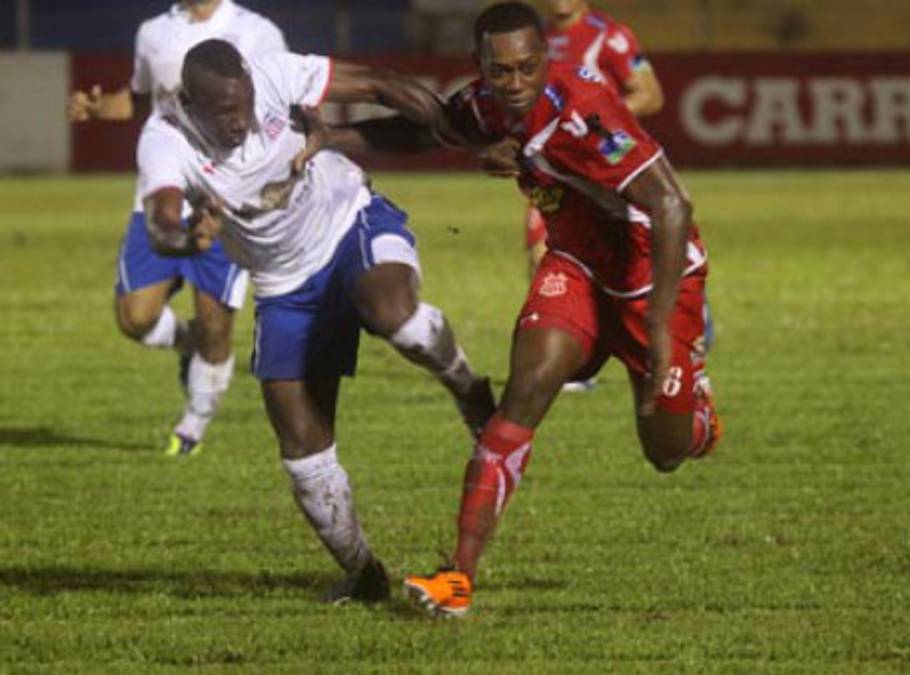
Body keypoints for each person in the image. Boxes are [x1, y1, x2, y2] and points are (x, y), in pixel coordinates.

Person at [310, 1, 722, 616]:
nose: (515, 83)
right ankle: (459, 577)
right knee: (524, 392)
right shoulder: (484, 103)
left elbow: (671, 207)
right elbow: (433, 129)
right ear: (481, 65)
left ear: (544, 59)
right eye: (500, 72)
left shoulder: (587, 111)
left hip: (647, 274)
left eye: (528, 68)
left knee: (664, 450)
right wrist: (329, 136)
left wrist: (661, 328)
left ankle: (696, 412)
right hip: (578, 262)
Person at [138, 38, 495, 602]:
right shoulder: (165, 138)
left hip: (351, 222)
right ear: (190, 102)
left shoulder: (275, 76)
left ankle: (468, 388)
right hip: (283, 285)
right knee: (302, 449)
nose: (242, 121)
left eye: (246, 104)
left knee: (394, 317)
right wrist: (185, 237)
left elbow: (380, 82)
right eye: (226, 112)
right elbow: (160, 220)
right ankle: (362, 573)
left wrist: (462, 136)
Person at [68, 0, 288, 457]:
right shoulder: (153, 31)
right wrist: (99, 107)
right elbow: (142, 97)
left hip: (225, 197)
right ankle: (187, 344)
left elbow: (281, 104)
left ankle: (194, 424)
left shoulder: (258, 31)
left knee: (215, 320)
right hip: (163, 188)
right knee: (135, 317)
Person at [522, 0, 667, 391]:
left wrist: (592, 121)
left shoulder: (611, 37)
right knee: (541, 243)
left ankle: (686, 313)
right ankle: (568, 343)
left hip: (605, 169)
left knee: (625, 256)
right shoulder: (536, 42)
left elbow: (651, 95)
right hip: (556, 169)